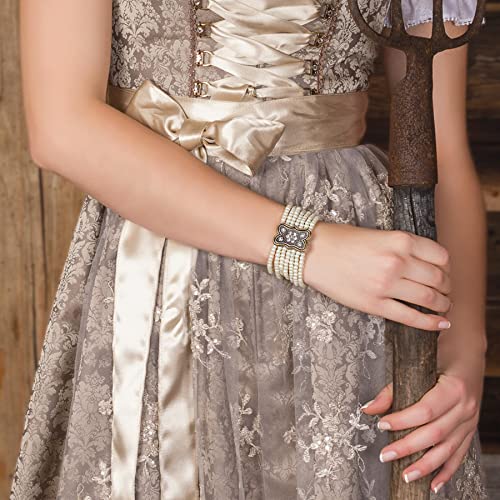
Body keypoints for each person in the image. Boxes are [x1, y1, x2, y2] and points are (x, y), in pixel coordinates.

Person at [11, 0, 488, 498]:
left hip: (353, 302)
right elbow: (62, 125)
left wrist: (462, 354)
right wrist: (309, 247)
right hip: (168, 263)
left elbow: (441, 148)